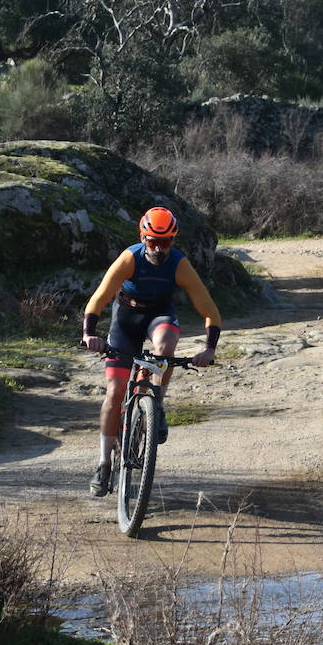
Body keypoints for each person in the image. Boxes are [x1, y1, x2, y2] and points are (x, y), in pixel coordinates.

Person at [81, 206, 221, 497]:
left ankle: (155, 403)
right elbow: (99, 298)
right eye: (152, 241)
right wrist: (89, 334)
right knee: (114, 392)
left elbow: (209, 310)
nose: (158, 248)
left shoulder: (180, 265)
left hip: (160, 317)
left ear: (174, 239)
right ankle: (104, 463)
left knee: (166, 346)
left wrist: (209, 348)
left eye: (166, 242)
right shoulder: (129, 258)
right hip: (125, 321)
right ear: (142, 237)